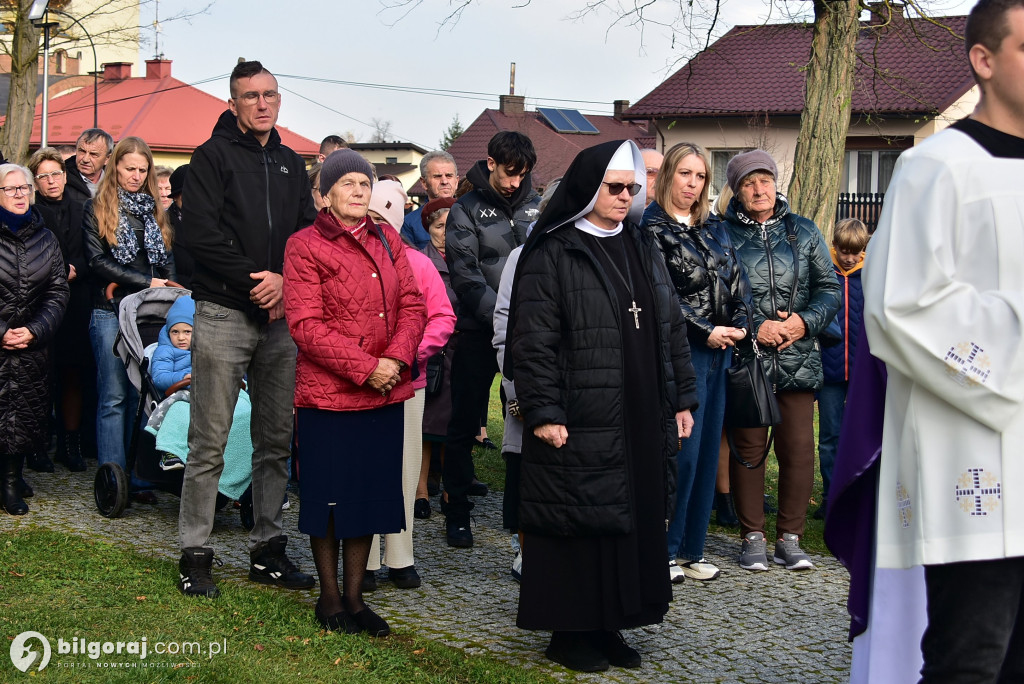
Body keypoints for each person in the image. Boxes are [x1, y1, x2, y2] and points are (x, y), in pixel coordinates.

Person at [861, 0, 1024, 678]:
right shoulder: (939, 165)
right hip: (977, 457)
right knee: (971, 658)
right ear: (984, 61)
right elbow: (902, 304)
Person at [508, 139, 696, 672]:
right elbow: (532, 340)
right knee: (579, 516)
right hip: (581, 407)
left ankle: (612, 623)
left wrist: (681, 396)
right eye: (614, 187)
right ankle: (569, 632)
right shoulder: (554, 250)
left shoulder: (641, 243)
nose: (624, 197)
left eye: (632, 189)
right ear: (588, 186)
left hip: (638, 407)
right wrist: (544, 411)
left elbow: (670, 326)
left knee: (629, 515)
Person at [176, 60, 317, 598]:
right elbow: (200, 234)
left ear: (279, 100)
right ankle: (196, 553)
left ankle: (267, 549)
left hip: (280, 321)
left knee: (274, 440)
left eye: (270, 95)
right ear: (233, 103)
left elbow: (307, 232)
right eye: (250, 96)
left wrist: (284, 281)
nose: (262, 104)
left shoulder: (289, 162)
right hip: (223, 313)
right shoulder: (211, 157)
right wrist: (256, 279)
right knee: (208, 440)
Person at [284, 148, 426, 635]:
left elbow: (412, 302)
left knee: (366, 495)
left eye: (365, 184)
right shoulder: (303, 246)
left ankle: (355, 597)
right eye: (347, 184)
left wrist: (396, 361)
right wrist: (367, 368)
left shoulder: (388, 237)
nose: (360, 191)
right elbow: (306, 325)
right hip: (329, 394)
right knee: (328, 497)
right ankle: (329, 599)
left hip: (383, 390)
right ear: (324, 196)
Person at [721, 149, 839, 572]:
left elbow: (829, 289)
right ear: (736, 190)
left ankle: (790, 538)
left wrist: (803, 323)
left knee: (798, 450)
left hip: (798, 355)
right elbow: (719, 297)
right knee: (749, 449)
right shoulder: (722, 233)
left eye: (765, 180)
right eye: (749, 183)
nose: (759, 189)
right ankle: (752, 536)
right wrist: (757, 328)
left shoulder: (803, 232)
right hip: (748, 355)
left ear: (776, 183)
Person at [641, 142, 751, 583]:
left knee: (709, 452)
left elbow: (738, 283)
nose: (693, 183)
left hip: (721, 352)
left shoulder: (715, 228)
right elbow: (661, 295)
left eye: (701, 176)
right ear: (668, 175)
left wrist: (740, 324)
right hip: (680, 351)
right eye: (685, 174)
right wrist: (705, 329)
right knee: (681, 451)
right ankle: (662, 548)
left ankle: (692, 547)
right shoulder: (650, 229)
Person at [443, 131, 540, 548]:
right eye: (509, 172)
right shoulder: (464, 209)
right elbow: (466, 277)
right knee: (464, 422)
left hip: (530, 337)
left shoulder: (538, 208)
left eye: (522, 175)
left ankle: (523, 514)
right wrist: (504, 322)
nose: (514, 182)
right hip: (477, 332)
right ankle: (457, 509)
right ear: (490, 162)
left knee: (527, 421)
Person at [364, 179, 454, 589]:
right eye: (368, 217)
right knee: (363, 470)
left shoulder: (418, 263)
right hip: (358, 382)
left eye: (381, 218)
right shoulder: (348, 257)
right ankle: (361, 559)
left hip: (408, 381)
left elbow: (442, 318)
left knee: (404, 468)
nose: (373, 224)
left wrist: (407, 355)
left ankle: (401, 556)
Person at [83, 136, 176, 502]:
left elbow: (166, 261)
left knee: (143, 395)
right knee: (114, 396)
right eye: (129, 168)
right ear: (114, 167)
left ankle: (137, 475)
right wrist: (146, 281)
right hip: (108, 310)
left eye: (142, 169)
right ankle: (112, 479)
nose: (136, 176)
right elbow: (96, 262)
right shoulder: (95, 208)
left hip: (147, 313)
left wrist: (162, 286)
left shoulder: (155, 211)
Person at [493, 179, 561, 583]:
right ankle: (525, 549)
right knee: (524, 471)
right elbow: (504, 322)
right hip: (528, 383)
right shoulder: (522, 255)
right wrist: (514, 386)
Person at [0, 164, 69, 515]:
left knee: (22, 416)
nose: (19, 195)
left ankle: (12, 482)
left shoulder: (45, 237)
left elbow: (58, 290)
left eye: (24, 188)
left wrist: (35, 329)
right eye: (10, 189)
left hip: (32, 345)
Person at [28, 147, 92, 473]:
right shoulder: (30, 212)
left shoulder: (84, 209)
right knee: (41, 376)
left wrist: (75, 269)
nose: (51, 181)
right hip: (39, 302)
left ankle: (70, 444)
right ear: (35, 181)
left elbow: (95, 253)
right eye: (44, 176)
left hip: (77, 300)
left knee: (73, 374)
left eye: (56, 174)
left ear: (66, 177)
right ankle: (37, 446)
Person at [815, 217, 868, 520]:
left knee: (859, 432)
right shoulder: (826, 274)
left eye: (855, 252)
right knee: (830, 436)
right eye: (843, 251)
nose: (849, 258)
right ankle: (829, 495)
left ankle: (858, 495)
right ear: (834, 247)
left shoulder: (870, 276)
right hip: (830, 372)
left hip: (861, 373)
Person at [417, 196, 457, 517]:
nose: (445, 231)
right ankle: (420, 492)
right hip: (432, 352)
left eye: (451, 225)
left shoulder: (467, 258)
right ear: (429, 227)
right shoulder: (421, 260)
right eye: (439, 225)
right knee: (426, 426)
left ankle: (450, 490)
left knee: (455, 425)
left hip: (460, 349)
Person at [401, 151, 459, 249]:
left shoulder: (471, 215)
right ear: (424, 182)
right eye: (437, 176)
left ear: (457, 181)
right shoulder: (409, 224)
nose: (444, 181)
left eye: (449, 176)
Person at [64, 128, 114, 203]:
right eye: (82, 151)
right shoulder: (61, 180)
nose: (85, 159)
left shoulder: (117, 182)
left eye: (93, 154)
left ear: (107, 159)